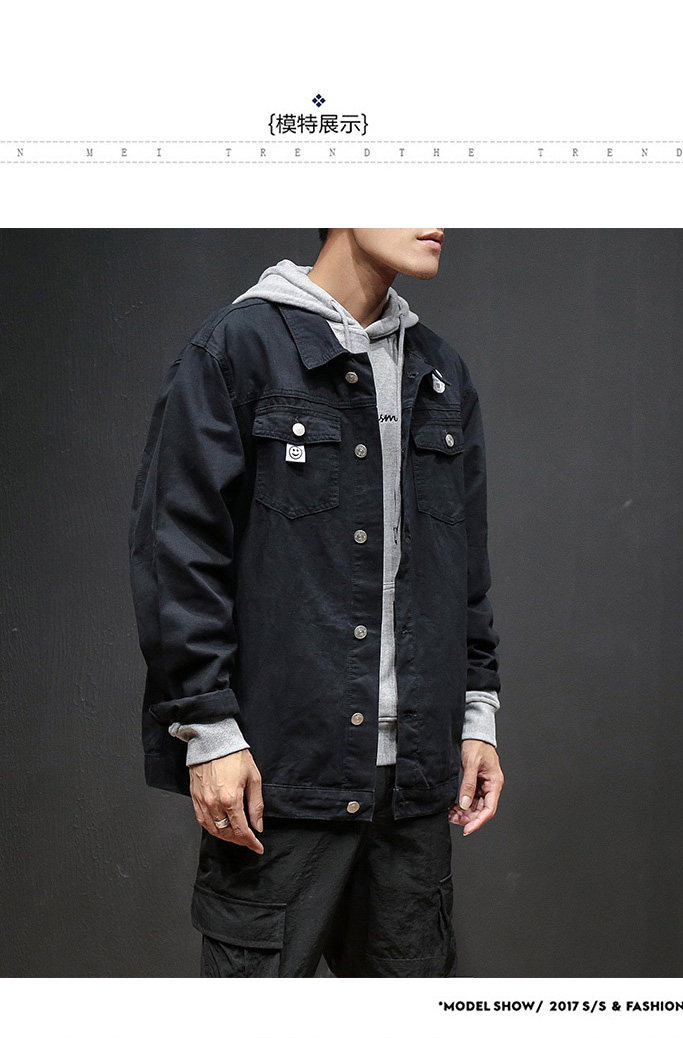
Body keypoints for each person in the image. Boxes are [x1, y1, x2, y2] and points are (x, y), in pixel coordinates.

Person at [129, 228, 504, 977]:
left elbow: (463, 570)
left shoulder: (440, 373)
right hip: (282, 781)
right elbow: (178, 552)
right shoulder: (238, 350)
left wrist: (477, 714)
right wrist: (208, 730)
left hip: (412, 791)